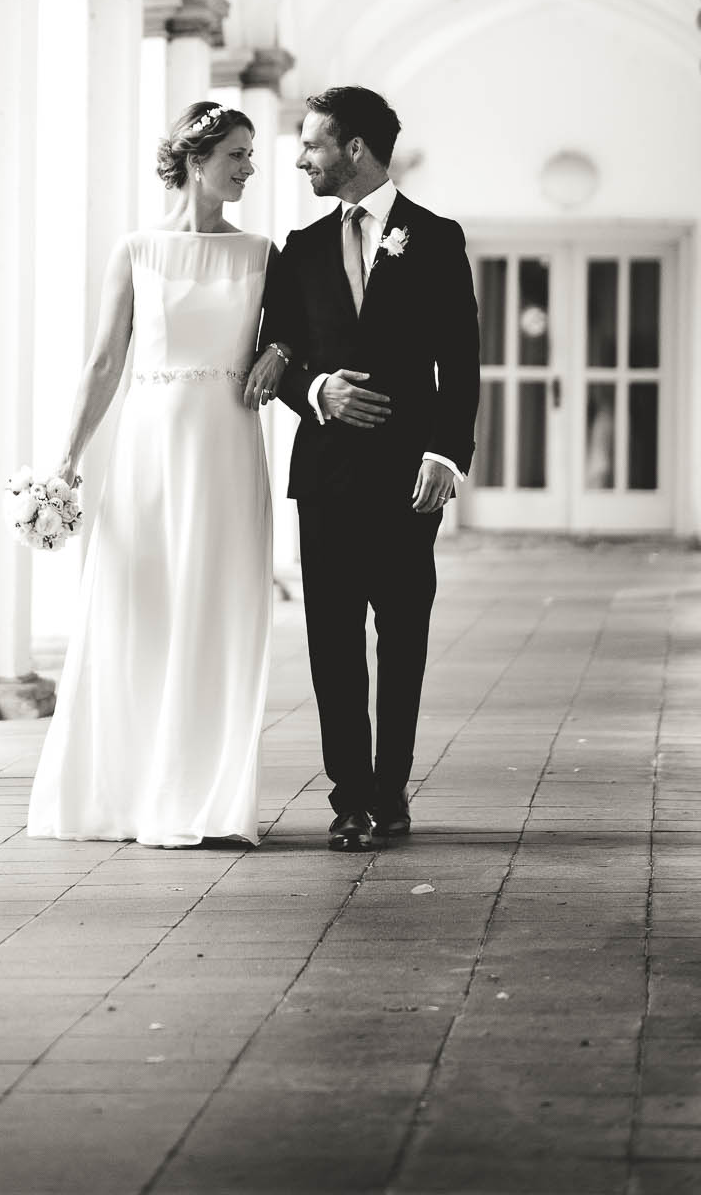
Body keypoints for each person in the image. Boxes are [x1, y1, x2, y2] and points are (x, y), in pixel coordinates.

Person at [26, 101, 285, 847]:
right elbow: (104, 361)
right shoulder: (137, 249)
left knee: (219, 611)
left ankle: (205, 798)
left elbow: (297, 334)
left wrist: (283, 353)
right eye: (236, 155)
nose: (248, 168)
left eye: (251, 155)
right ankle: (125, 793)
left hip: (225, 447)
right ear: (196, 161)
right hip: (149, 448)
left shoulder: (262, 254)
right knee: (137, 611)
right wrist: (65, 461)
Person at [256, 86, 480, 852]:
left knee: (403, 637)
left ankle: (391, 791)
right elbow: (277, 354)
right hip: (324, 477)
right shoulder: (300, 248)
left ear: (353, 148)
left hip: (407, 479)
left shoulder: (435, 237)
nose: (300, 159)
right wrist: (316, 390)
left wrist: (445, 454)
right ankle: (349, 797)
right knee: (331, 641)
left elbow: (461, 359)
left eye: (312, 144)